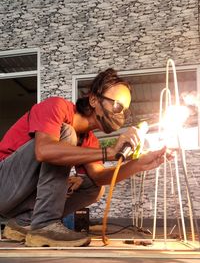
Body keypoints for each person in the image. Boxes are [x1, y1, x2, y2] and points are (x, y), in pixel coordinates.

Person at [0, 68, 171, 247]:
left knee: (93, 187)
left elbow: (99, 177)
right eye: (117, 106)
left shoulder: (89, 139)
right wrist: (109, 152)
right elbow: (44, 150)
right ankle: (45, 225)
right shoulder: (56, 106)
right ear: (93, 99)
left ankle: (24, 223)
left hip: (20, 199)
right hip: (4, 186)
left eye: (125, 111)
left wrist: (138, 164)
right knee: (67, 132)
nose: (120, 114)